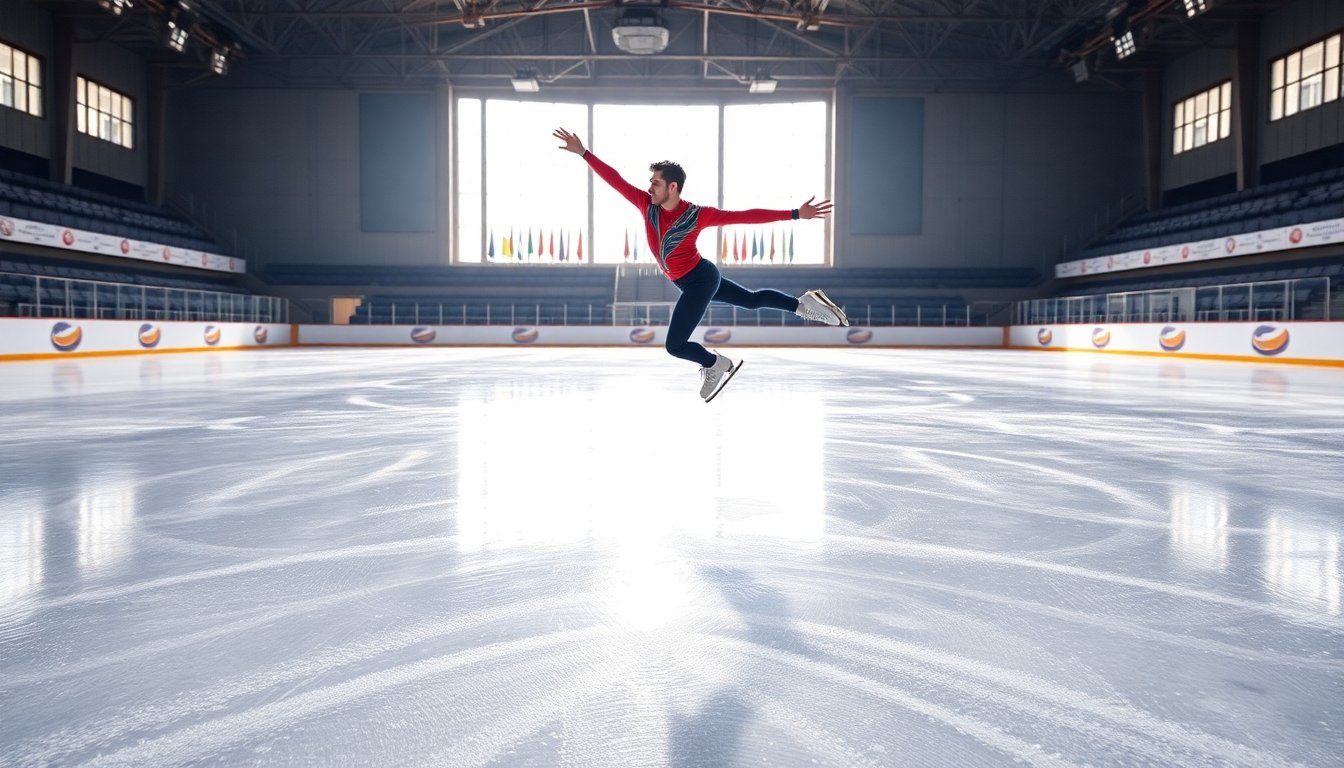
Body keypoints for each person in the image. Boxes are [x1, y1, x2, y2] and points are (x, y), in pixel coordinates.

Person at [553, 127, 848, 403]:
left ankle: (716, 363)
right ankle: (802, 304)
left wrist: (796, 213)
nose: (650, 187)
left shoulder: (698, 215)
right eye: (650, 183)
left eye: (655, 182)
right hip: (691, 280)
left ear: (673, 186)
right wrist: (584, 153)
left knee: (675, 345)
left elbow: (745, 216)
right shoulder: (646, 205)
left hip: (701, 279)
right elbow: (615, 179)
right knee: (750, 300)